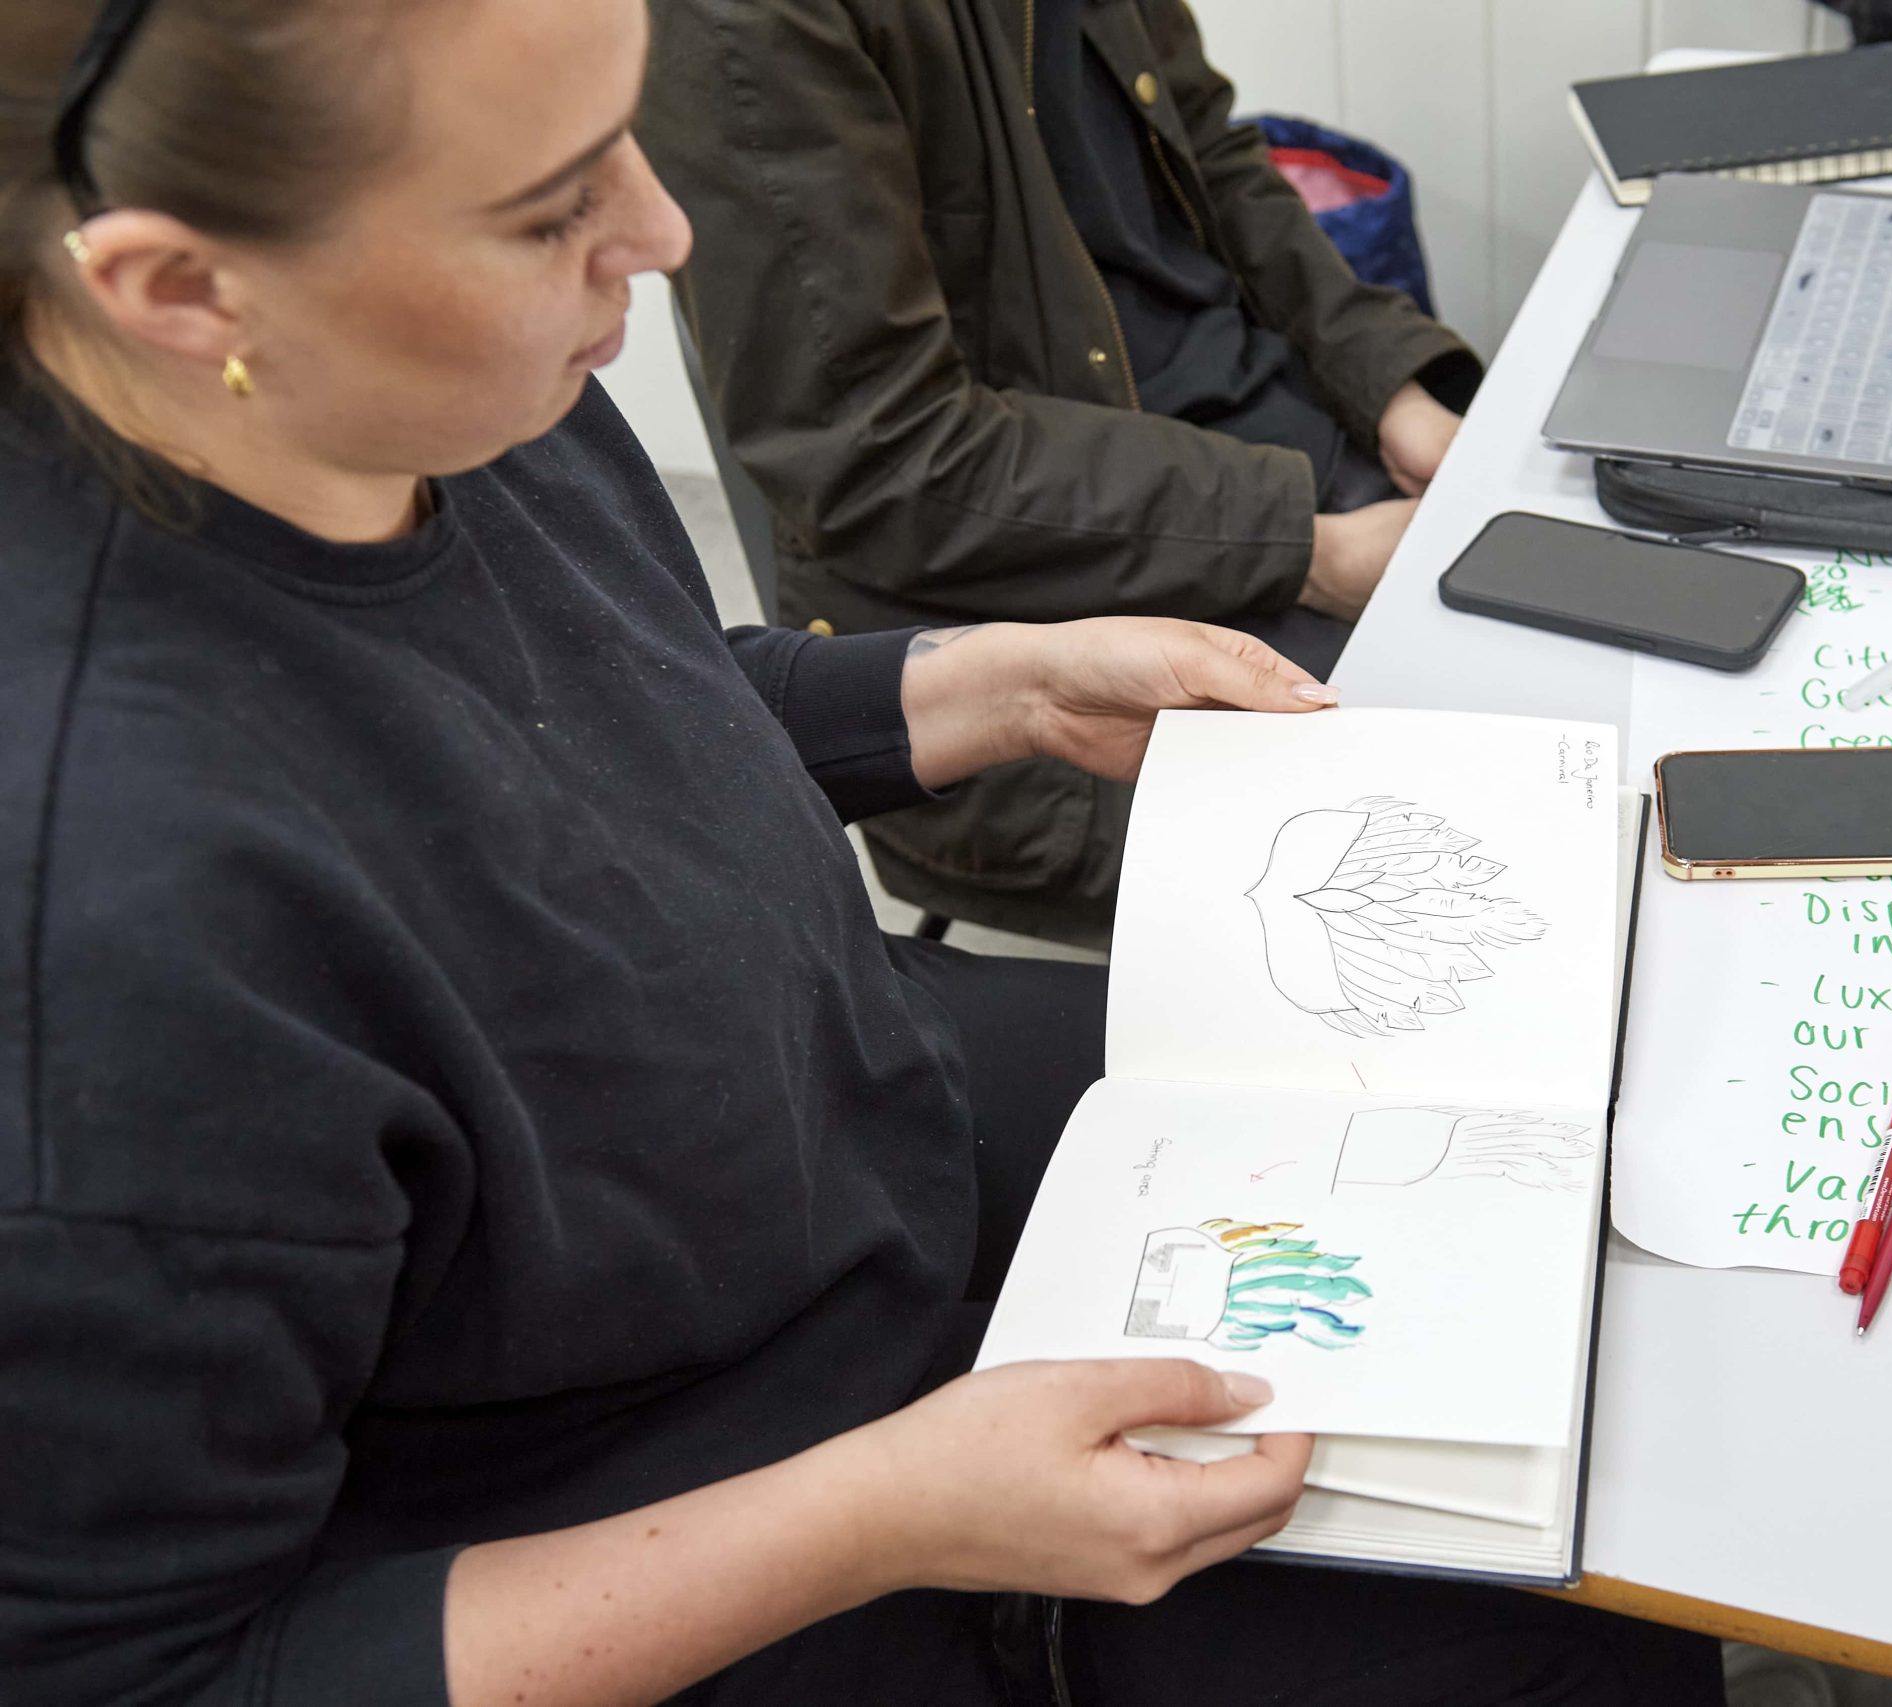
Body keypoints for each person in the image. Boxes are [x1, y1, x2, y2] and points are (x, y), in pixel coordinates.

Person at [0, 2, 1721, 1703]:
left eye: (622, 145)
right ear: (183, 288)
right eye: (549, 206)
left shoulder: (431, 398)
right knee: (1573, 1612)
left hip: (846, 1121)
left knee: (1581, 1235)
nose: (661, 234)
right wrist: (887, 1516)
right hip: (709, 1494)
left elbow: (612, 690)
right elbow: (152, 1673)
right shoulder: (109, 919)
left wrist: (995, 683)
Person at [639, 0, 1483, 946]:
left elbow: (1210, 150)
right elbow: (882, 456)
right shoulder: (742, 23)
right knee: (1494, 828)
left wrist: (1393, 389)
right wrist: (1308, 548)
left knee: (1574, 655)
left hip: (1273, 457)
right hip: (1053, 586)